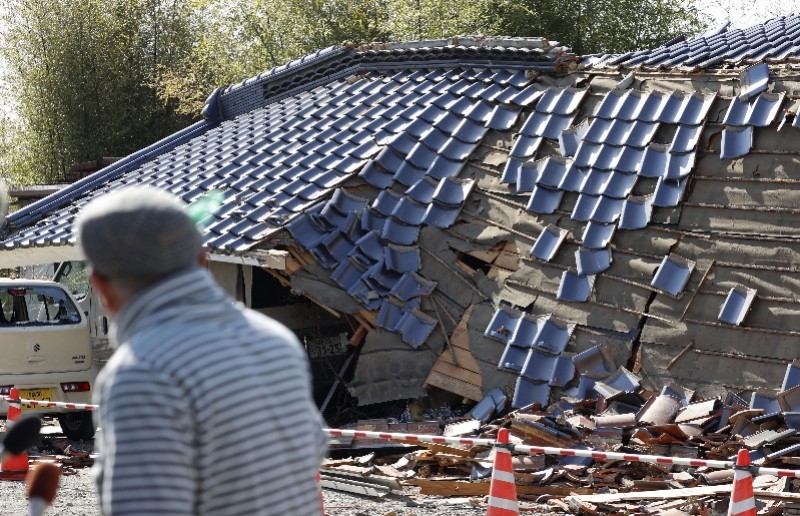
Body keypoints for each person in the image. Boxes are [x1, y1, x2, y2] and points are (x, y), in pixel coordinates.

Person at [75, 186, 328, 515]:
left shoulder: (142, 372)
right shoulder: (276, 341)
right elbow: (310, 457)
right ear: (202, 261)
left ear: (101, 288)